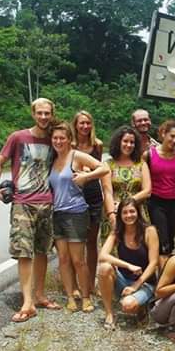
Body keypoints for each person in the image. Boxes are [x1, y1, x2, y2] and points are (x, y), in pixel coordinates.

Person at [0, 98, 58, 323]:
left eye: (47, 113)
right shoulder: (18, 137)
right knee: (23, 252)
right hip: (23, 202)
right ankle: (27, 301)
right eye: (40, 113)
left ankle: (39, 295)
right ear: (33, 114)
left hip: (46, 202)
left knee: (42, 251)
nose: (44, 117)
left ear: (52, 114)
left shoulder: (54, 140)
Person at [49, 122, 110, 312]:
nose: (58, 141)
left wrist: (87, 177)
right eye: (55, 138)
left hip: (76, 212)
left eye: (62, 138)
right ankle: (70, 297)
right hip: (57, 213)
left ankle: (85, 297)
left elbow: (104, 168)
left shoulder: (76, 156)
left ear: (69, 139)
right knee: (64, 259)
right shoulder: (52, 159)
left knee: (78, 260)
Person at [98, 197, 159, 329]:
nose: (129, 215)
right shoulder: (118, 231)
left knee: (128, 306)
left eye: (132, 211)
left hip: (144, 282)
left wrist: (136, 285)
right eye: (125, 212)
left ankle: (143, 305)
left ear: (138, 212)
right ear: (120, 215)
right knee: (104, 268)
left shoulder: (149, 231)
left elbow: (154, 263)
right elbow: (102, 255)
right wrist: (127, 265)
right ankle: (109, 314)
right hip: (124, 280)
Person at [143, 120, 175, 268]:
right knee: (163, 242)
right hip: (155, 202)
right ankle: (163, 282)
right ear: (163, 134)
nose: (174, 140)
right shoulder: (149, 154)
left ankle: (166, 275)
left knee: (171, 240)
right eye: (171, 136)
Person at [72, 110, 105, 294]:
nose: (85, 127)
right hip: (74, 194)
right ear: (75, 125)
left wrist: (88, 174)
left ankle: (91, 283)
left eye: (88, 123)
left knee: (91, 242)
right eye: (81, 123)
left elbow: (98, 168)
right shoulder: (70, 145)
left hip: (93, 195)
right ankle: (76, 285)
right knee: (75, 241)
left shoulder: (97, 145)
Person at [101, 126, 151, 239]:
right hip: (114, 210)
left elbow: (147, 191)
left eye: (132, 142)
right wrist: (112, 215)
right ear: (118, 142)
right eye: (125, 141)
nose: (129, 145)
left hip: (136, 212)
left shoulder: (141, 164)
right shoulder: (108, 164)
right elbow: (107, 191)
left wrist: (127, 203)